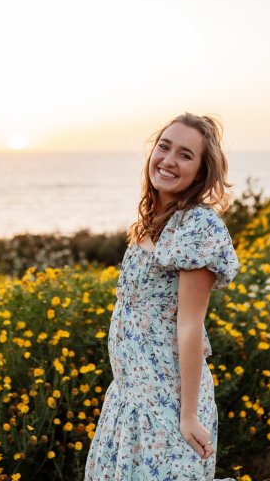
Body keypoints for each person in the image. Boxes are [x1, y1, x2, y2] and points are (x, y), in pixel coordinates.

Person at [84, 112, 240, 481]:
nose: (168, 160)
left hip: (167, 401)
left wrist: (188, 416)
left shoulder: (197, 227)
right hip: (130, 395)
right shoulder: (153, 219)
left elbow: (190, 325)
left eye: (185, 155)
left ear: (201, 172)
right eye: (164, 147)